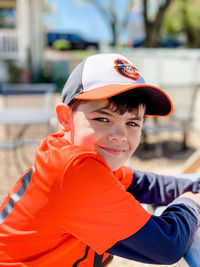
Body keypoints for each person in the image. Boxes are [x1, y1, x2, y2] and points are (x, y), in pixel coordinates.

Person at [0, 53, 200, 267]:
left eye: (132, 123)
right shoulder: (76, 172)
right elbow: (166, 246)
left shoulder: (76, 156)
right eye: (102, 119)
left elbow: (147, 184)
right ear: (65, 118)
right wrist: (191, 203)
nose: (120, 136)